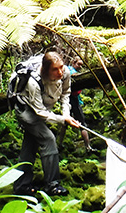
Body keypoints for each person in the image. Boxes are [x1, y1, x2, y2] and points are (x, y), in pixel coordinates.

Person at [13, 51, 81, 196]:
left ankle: (21, 186)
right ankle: (52, 185)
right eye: (55, 69)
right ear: (45, 69)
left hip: (41, 109)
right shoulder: (34, 82)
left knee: (30, 145)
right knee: (48, 138)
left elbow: (65, 94)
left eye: (61, 67)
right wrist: (63, 120)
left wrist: (66, 114)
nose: (60, 72)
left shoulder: (66, 73)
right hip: (26, 111)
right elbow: (40, 113)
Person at [59, 56, 94, 152]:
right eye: (78, 64)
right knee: (81, 123)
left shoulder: (68, 71)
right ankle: (88, 147)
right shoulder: (71, 73)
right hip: (72, 100)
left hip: (69, 99)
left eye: (81, 65)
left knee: (65, 123)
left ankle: (59, 144)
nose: (80, 67)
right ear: (73, 63)